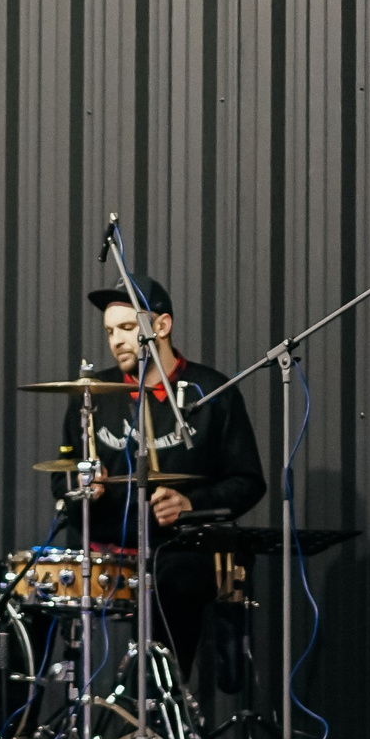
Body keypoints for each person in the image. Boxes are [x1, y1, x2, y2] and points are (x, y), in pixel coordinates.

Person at [55, 277, 266, 681]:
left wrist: (192, 504)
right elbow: (60, 483)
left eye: (129, 328)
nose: (117, 340)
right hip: (105, 556)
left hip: (180, 554)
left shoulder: (213, 392)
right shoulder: (91, 395)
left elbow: (249, 481)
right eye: (110, 331)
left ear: (162, 326)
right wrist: (85, 488)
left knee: (178, 578)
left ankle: (158, 699)